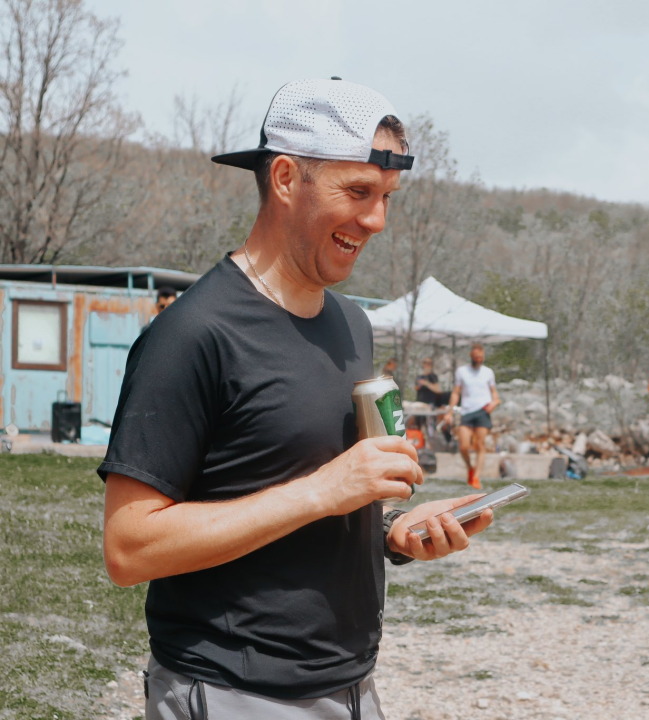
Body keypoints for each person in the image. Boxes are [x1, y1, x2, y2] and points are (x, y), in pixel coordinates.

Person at [100, 78, 494, 720]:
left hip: (352, 687)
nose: (377, 220)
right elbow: (129, 548)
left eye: (387, 197)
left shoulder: (351, 325)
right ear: (285, 178)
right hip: (232, 691)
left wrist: (392, 534)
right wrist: (323, 490)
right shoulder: (193, 334)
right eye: (358, 192)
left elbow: (303, 494)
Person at [445, 343, 499, 490]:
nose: (478, 359)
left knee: (480, 444)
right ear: (471, 356)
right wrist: (449, 412)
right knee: (464, 446)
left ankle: (476, 477)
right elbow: (456, 393)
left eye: (481, 357)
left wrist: (495, 402)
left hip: (483, 411)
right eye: (476, 357)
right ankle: (470, 468)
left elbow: (494, 393)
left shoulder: (488, 372)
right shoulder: (462, 371)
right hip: (467, 411)